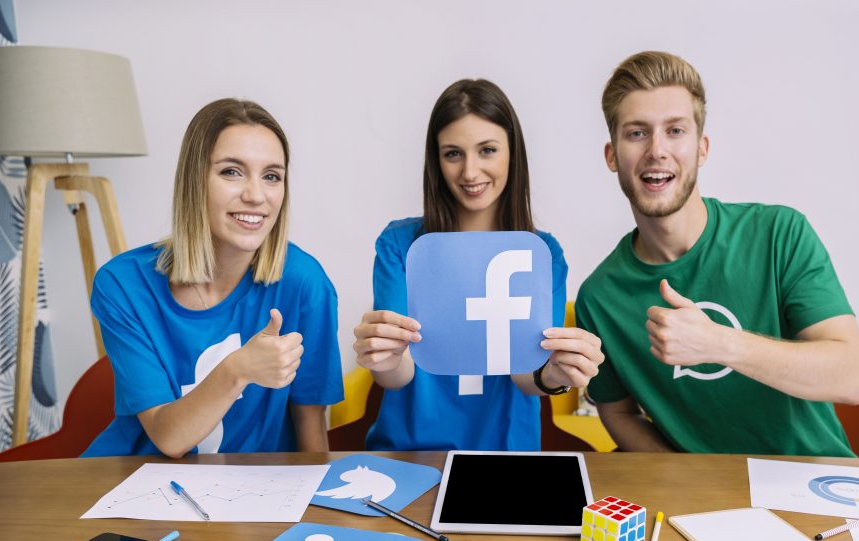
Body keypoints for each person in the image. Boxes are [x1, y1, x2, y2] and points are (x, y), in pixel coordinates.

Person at [575, 51, 859, 457]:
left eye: (675, 131)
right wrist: (685, 481)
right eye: (637, 133)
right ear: (612, 155)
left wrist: (719, 344)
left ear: (702, 149)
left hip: (815, 482)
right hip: (700, 497)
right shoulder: (600, 297)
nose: (657, 150)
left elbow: (852, 377)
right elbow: (618, 413)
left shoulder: (779, 234)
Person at [353, 79, 604, 451]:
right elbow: (397, 375)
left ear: (512, 154)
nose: (470, 172)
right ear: (436, 161)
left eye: (487, 150)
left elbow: (526, 375)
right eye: (453, 154)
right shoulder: (400, 245)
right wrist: (382, 356)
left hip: (505, 456)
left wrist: (554, 374)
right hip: (410, 454)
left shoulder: (543, 253)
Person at [83, 98, 343, 457]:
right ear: (194, 181)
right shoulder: (123, 285)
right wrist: (238, 368)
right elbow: (168, 438)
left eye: (271, 176)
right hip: (136, 479)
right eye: (232, 172)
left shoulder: (304, 283)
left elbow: (310, 423)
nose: (256, 196)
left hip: (251, 487)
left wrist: (318, 492)